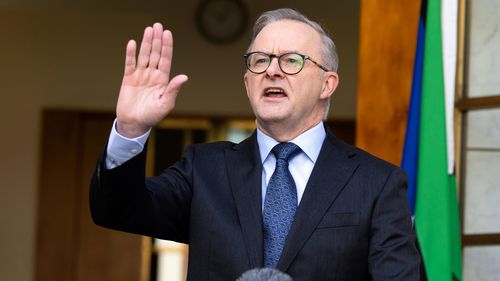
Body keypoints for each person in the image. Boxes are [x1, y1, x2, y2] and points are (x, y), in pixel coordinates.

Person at [90, 8, 422, 281]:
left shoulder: (376, 184)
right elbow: (117, 210)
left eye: (292, 61)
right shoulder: (204, 169)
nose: (272, 71)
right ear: (248, 82)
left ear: (327, 84)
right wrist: (131, 128)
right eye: (260, 60)